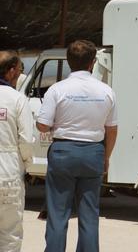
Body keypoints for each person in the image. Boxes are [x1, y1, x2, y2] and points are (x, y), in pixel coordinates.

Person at [36, 39, 117, 252]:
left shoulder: (57, 89)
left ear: (69, 62)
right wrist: (106, 157)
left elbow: (43, 126)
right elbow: (112, 129)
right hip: (93, 153)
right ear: (92, 62)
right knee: (89, 216)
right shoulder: (106, 91)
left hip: (63, 152)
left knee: (57, 215)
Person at [0, 51, 33, 252]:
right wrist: (27, 167)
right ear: (11, 71)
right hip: (9, 173)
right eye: (20, 70)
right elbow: (26, 140)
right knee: (10, 234)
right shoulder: (17, 99)